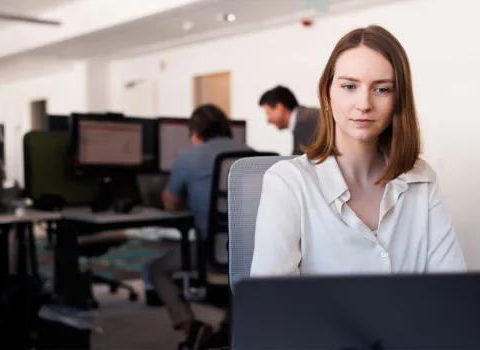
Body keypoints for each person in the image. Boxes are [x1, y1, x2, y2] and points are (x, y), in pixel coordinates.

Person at [250, 25, 466, 276]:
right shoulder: (288, 182)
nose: (364, 104)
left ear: (399, 100)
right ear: (327, 94)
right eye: (349, 87)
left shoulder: (421, 178)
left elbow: (451, 290)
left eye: (382, 89)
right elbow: (274, 307)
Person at [150, 104, 249, 350]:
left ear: (196, 132)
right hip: (253, 251)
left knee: (158, 270)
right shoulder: (253, 153)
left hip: (213, 251)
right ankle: (229, 327)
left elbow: (171, 204)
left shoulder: (188, 157)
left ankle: (191, 327)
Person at [259, 85, 319, 155]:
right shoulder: (304, 117)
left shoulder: (303, 122)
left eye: (268, 113)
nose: (268, 120)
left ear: (279, 108)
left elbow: (303, 159)